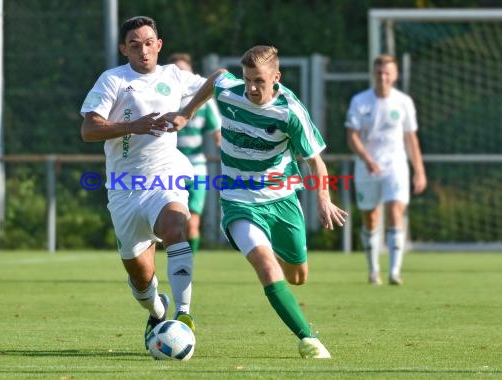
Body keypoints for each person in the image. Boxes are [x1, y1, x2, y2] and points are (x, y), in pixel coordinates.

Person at [164, 45, 347, 359]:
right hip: (239, 201)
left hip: (282, 201)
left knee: (297, 277)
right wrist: (187, 111)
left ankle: (271, 245)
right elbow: (218, 77)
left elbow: (315, 163)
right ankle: (309, 340)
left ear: (276, 77)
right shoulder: (231, 91)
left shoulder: (290, 111)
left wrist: (323, 198)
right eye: (248, 79)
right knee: (266, 265)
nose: (251, 88)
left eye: (259, 81)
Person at [79, 15, 206, 349]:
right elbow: (89, 130)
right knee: (139, 275)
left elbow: (216, 81)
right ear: (124, 49)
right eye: (134, 45)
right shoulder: (113, 81)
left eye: (149, 43)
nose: (143, 50)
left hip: (166, 176)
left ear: (159, 45)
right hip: (123, 188)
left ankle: (183, 315)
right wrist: (131, 127)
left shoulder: (174, 76)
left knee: (177, 226)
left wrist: (187, 112)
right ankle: (157, 310)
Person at [345, 54, 427, 286]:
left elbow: (411, 138)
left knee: (395, 212)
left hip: (396, 167)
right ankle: (373, 271)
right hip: (367, 167)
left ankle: (394, 272)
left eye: (387, 72)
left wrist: (419, 170)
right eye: (379, 72)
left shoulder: (404, 102)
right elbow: (352, 136)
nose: (383, 76)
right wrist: (367, 159)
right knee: (370, 218)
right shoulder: (360, 101)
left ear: (395, 75)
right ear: (373, 74)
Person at [167, 53, 222, 254]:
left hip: (197, 168)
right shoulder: (163, 100)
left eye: (184, 71)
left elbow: (218, 134)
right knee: (170, 223)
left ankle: (189, 265)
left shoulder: (205, 102)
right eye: (176, 71)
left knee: (192, 222)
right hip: (168, 168)